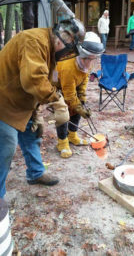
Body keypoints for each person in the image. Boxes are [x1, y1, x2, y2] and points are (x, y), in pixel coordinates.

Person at [0, 18, 86, 198]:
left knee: (32, 134)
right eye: (69, 48)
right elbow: (33, 79)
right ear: (62, 38)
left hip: (22, 101)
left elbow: (43, 84)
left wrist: (37, 113)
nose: (68, 53)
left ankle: (35, 173)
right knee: (6, 147)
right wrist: (58, 101)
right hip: (4, 101)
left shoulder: (50, 47)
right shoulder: (33, 41)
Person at [54, 32, 103, 158]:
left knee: (79, 105)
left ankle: (72, 135)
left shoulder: (87, 63)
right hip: (56, 84)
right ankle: (62, 142)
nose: (91, 62)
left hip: (70, 84)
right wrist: (78, 107)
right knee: (63, 112)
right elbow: (69, 95)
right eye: (90, 59)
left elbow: (83, 80)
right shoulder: (69, 66)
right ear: (83, 55)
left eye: (94, 59)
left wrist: (82, 100)